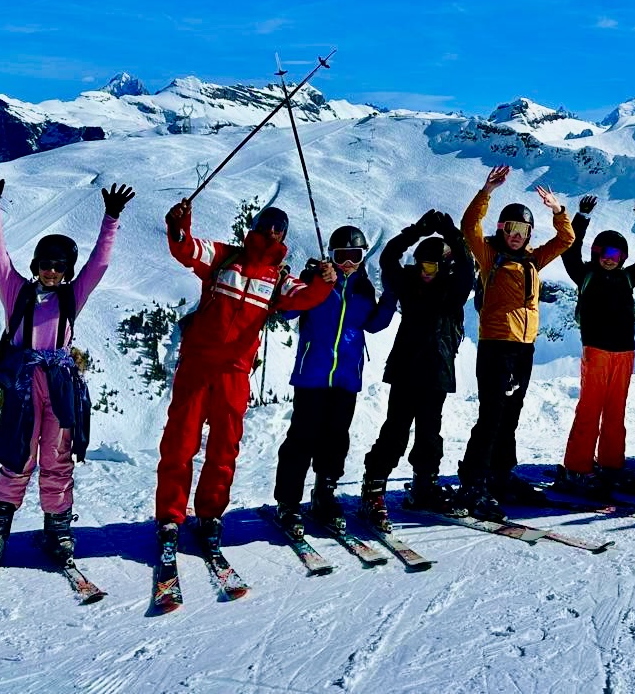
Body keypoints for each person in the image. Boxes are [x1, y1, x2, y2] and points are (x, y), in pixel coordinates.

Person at [155, 200, 335, 567]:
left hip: (235, 372)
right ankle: (170, 518)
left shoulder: (279, 279)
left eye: (278, 228)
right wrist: (179, 224)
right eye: (267, 224)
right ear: (254, 227)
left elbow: (307, 298)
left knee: (224, 448)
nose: (272, 231)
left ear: (283, 237)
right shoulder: (225, 257)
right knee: (179, 442)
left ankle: (210, 516)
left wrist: (325, 281)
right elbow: (186, 249)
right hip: (198, 366)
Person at [0, 169, 132, 570]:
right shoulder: (16, 292)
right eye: (45, 264)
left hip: (59, 387)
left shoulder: (71, 297)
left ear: (67, 271)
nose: (51, 271)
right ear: (36, 265)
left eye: (59, 266)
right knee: (18, 456)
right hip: (24, 387)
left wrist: (111, 219)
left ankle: (57, 528)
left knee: (57, 458)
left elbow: (99, 264)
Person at [456, 165, 574, 521]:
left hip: (524, 348)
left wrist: (558, 211)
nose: (516, 236)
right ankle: (474, 482)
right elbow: (469, 227)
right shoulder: (490, 256)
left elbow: (566, 240)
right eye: (511, 229)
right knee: (492, 415)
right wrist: (486, 192)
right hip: (496, 345)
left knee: (510, 415)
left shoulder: (533, 260)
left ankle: (500, 474)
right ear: (501, 229)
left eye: (523, 231)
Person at [272, 225, 397, 535]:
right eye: (342, 256)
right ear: (331, 255)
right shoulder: (317, 279)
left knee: (336, 439)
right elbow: (287, 312)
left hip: (346, 376)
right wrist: (311, 280)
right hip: (313, 374)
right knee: (302, 438)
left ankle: (324, 495)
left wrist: (391, 295)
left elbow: (374, 324)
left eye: (355, 255)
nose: (348, 263)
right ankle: (288, 502)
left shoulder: (363, 288)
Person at [359, 210, 476, 527]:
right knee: (395, 433)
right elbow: (388, 257)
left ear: (444, 267)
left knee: (429, 435)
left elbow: (467, 267)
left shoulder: (452, 292)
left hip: (436, 372)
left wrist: (452, 233)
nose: (425, 271)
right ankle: (373, 489)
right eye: (421, 264)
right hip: (407, 370)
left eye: (432, 266)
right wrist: (416, 231)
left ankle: (424, 488)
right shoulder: (408, 285)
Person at [556, 194, 635, 496]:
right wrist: (582, 218)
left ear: (623, 257)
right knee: (590, 410)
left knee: (616, 411)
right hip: (597, 352)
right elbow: (569, 251)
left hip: (624, 354)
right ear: (596, 252)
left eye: (616, 253)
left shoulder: (627, 278)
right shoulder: (586, 275)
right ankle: (577, 468)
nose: (609, 258)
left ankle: (611, 465)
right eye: (604, 252)